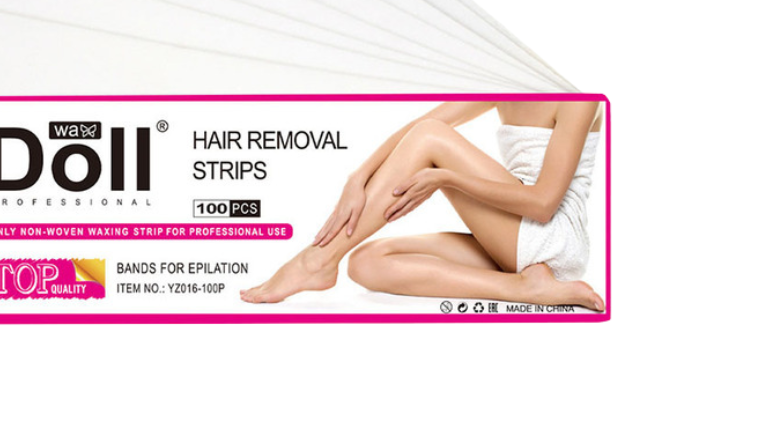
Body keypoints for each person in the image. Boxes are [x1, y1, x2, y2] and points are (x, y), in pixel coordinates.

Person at [239, 99, 605, 311]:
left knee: (432, 137)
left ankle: (316, 260)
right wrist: (358, 176)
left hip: (553, 237)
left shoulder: (579, 99)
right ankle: (525, 288)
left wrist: (448, 178)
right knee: (366, 262)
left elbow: (542, 204)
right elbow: (419, 125)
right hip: (515, 238)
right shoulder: (506, 82)